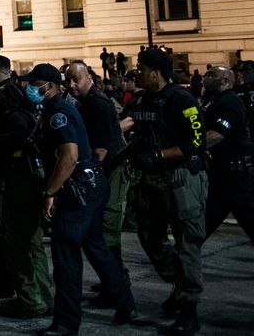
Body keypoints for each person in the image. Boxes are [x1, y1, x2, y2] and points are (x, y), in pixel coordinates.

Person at [25, 64, 134, 336]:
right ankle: (124, 301)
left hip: (77, 192)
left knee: (66, 257)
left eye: (34, 84)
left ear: (49, 86)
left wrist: (49, 193)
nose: (30, 89)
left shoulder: (58, 114)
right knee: (96, 247)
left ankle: (66, 323)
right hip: (91, 187)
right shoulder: (58, 108)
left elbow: (69, 156)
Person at [127, 48, 208, 336]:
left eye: (141, 67)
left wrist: (159, 155)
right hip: (152, 179)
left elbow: (195, 143)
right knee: (148, 235)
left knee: (188, 241)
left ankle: (189, 310)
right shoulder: (143, 99)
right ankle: (181, 282)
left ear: (156, 72)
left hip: (181, 177)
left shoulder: (182, 99)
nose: (137, 72)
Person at [0, 76, 53, 319]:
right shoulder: (27, 114)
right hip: (31, 177)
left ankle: (31, 302)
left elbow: (17, 140)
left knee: (18, 244)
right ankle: (43, 298)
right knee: (33, 243)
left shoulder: (14, 117)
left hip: (21, 180)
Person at [65, 61, 131, 291]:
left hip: (111, 171)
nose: (71, 85)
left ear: (89, 79)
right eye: (68, 80)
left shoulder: (98, 104)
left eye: (76, 79)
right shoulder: (85, 103)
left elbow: (100, 151)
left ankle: (117, 282)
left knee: (108, 230)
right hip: (105, 171)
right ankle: (112, 282)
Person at [200, 66, 254, 240]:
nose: (206, 77)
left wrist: (187, 148)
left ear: (225, 81)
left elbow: (216, 135)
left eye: (212, 75)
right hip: (224, 171)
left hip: (237, 174)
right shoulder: (216, 100)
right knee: (205, 222)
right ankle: (181, 261)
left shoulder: (229, 102)